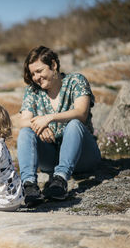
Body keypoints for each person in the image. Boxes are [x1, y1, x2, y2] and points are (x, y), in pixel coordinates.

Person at [17, 45, 101, 207]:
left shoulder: (76, 81)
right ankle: (29, 186)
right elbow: (23, 121)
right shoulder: (32, 91)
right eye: (33, 73)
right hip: (51, 156)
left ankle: (60, 181)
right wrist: (39, 127)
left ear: (53, 65)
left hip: (83, 156)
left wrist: (49, 118)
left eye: (39, 71)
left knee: (74, 124)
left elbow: (81, 113)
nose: (36, 77)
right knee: (26, 131)